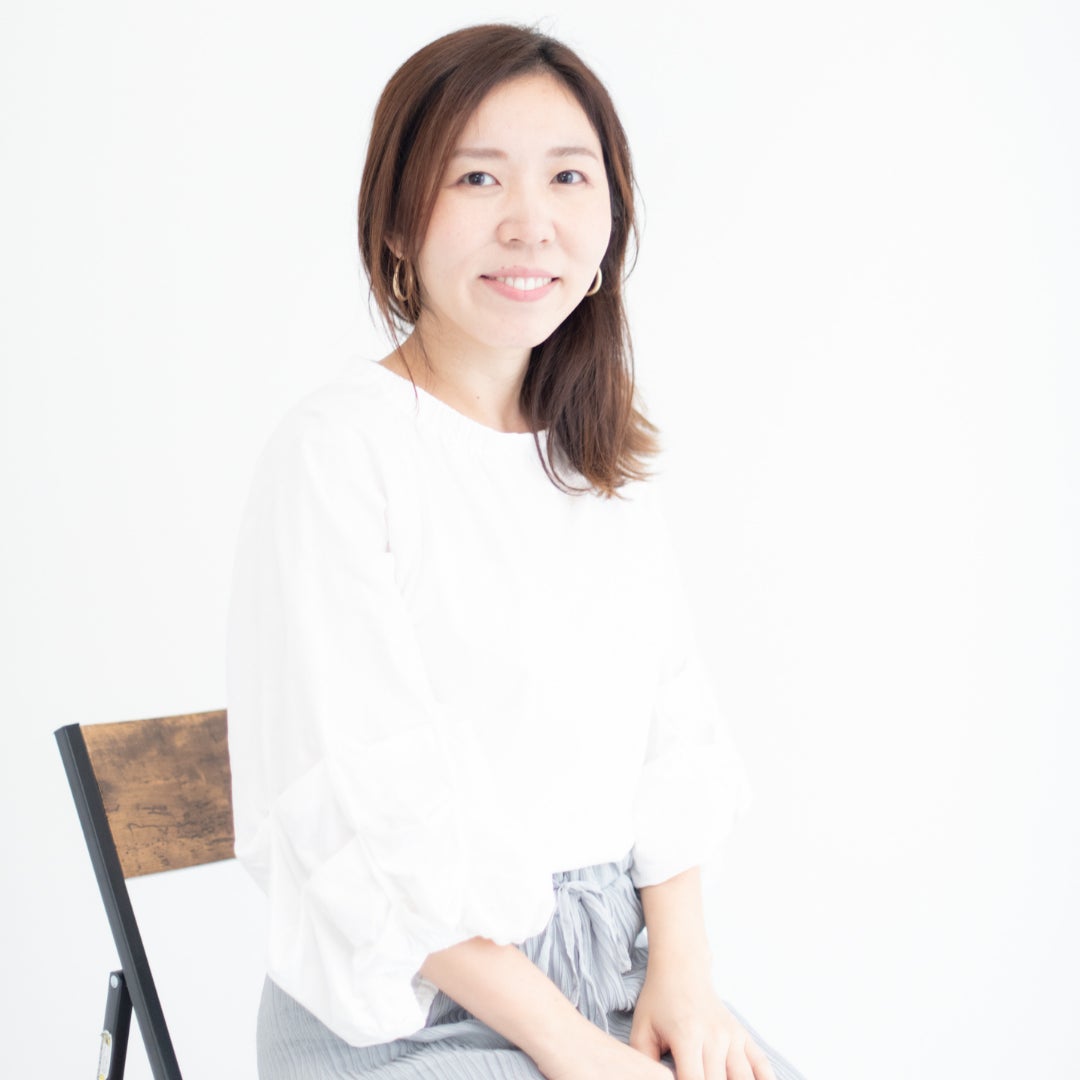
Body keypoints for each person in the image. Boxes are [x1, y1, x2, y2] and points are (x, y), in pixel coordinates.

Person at [227, 23, 806, 1080]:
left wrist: (685, 980)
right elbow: (360, 818)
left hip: (613, 970)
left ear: (611, 220)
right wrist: (572, 1051)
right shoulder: (340, 451)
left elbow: (673, 738)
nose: (530, 223)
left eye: (568, 177)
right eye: (477, 177)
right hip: (407, 1004)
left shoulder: (595, 459)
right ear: (395, 219)